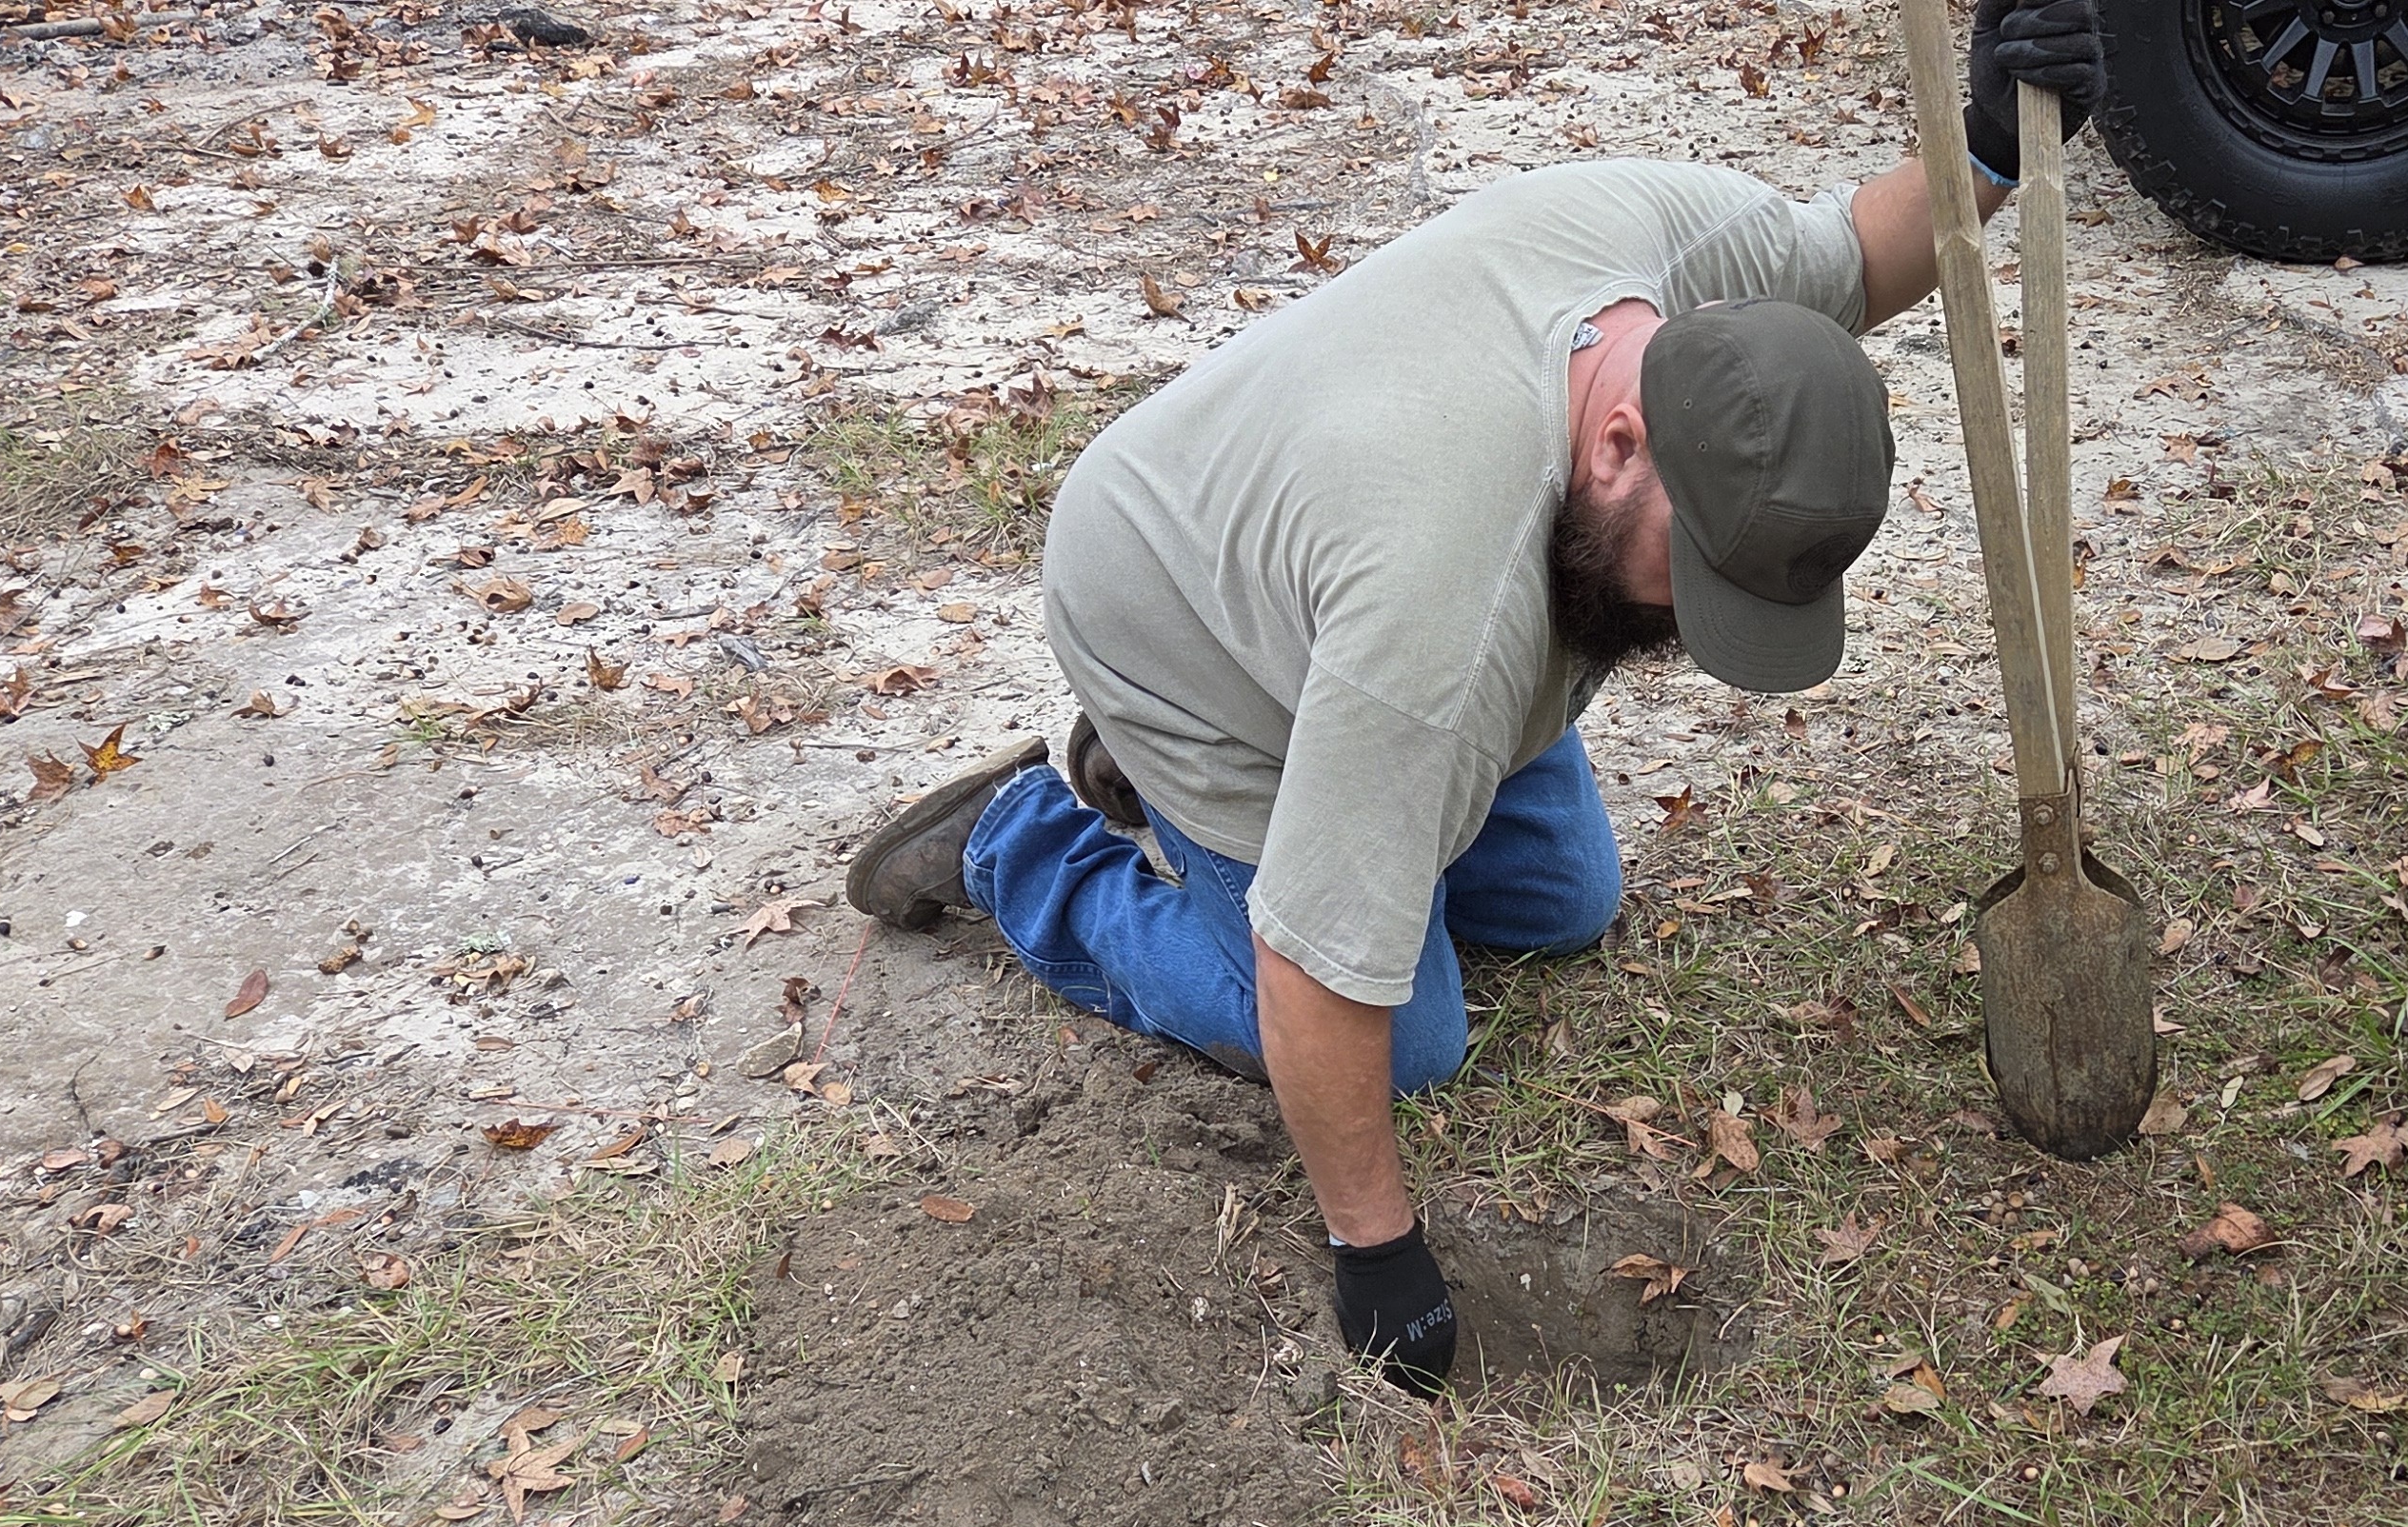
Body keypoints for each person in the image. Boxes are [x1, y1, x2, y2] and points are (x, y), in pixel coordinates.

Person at [843, 0, 2105, 1394]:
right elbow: (1323, 972)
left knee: (1565, 903)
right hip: (1171, 615)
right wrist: (1376, 1251)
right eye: (1687, 574)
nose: (1691, 624)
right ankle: (1022, 841)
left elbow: (1861, 257)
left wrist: (1989, 142)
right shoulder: (1441, 618)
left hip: (1301, 536)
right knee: (1415, 1031)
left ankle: (1220, 786)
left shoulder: (1688, 270)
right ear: (1623, 436)